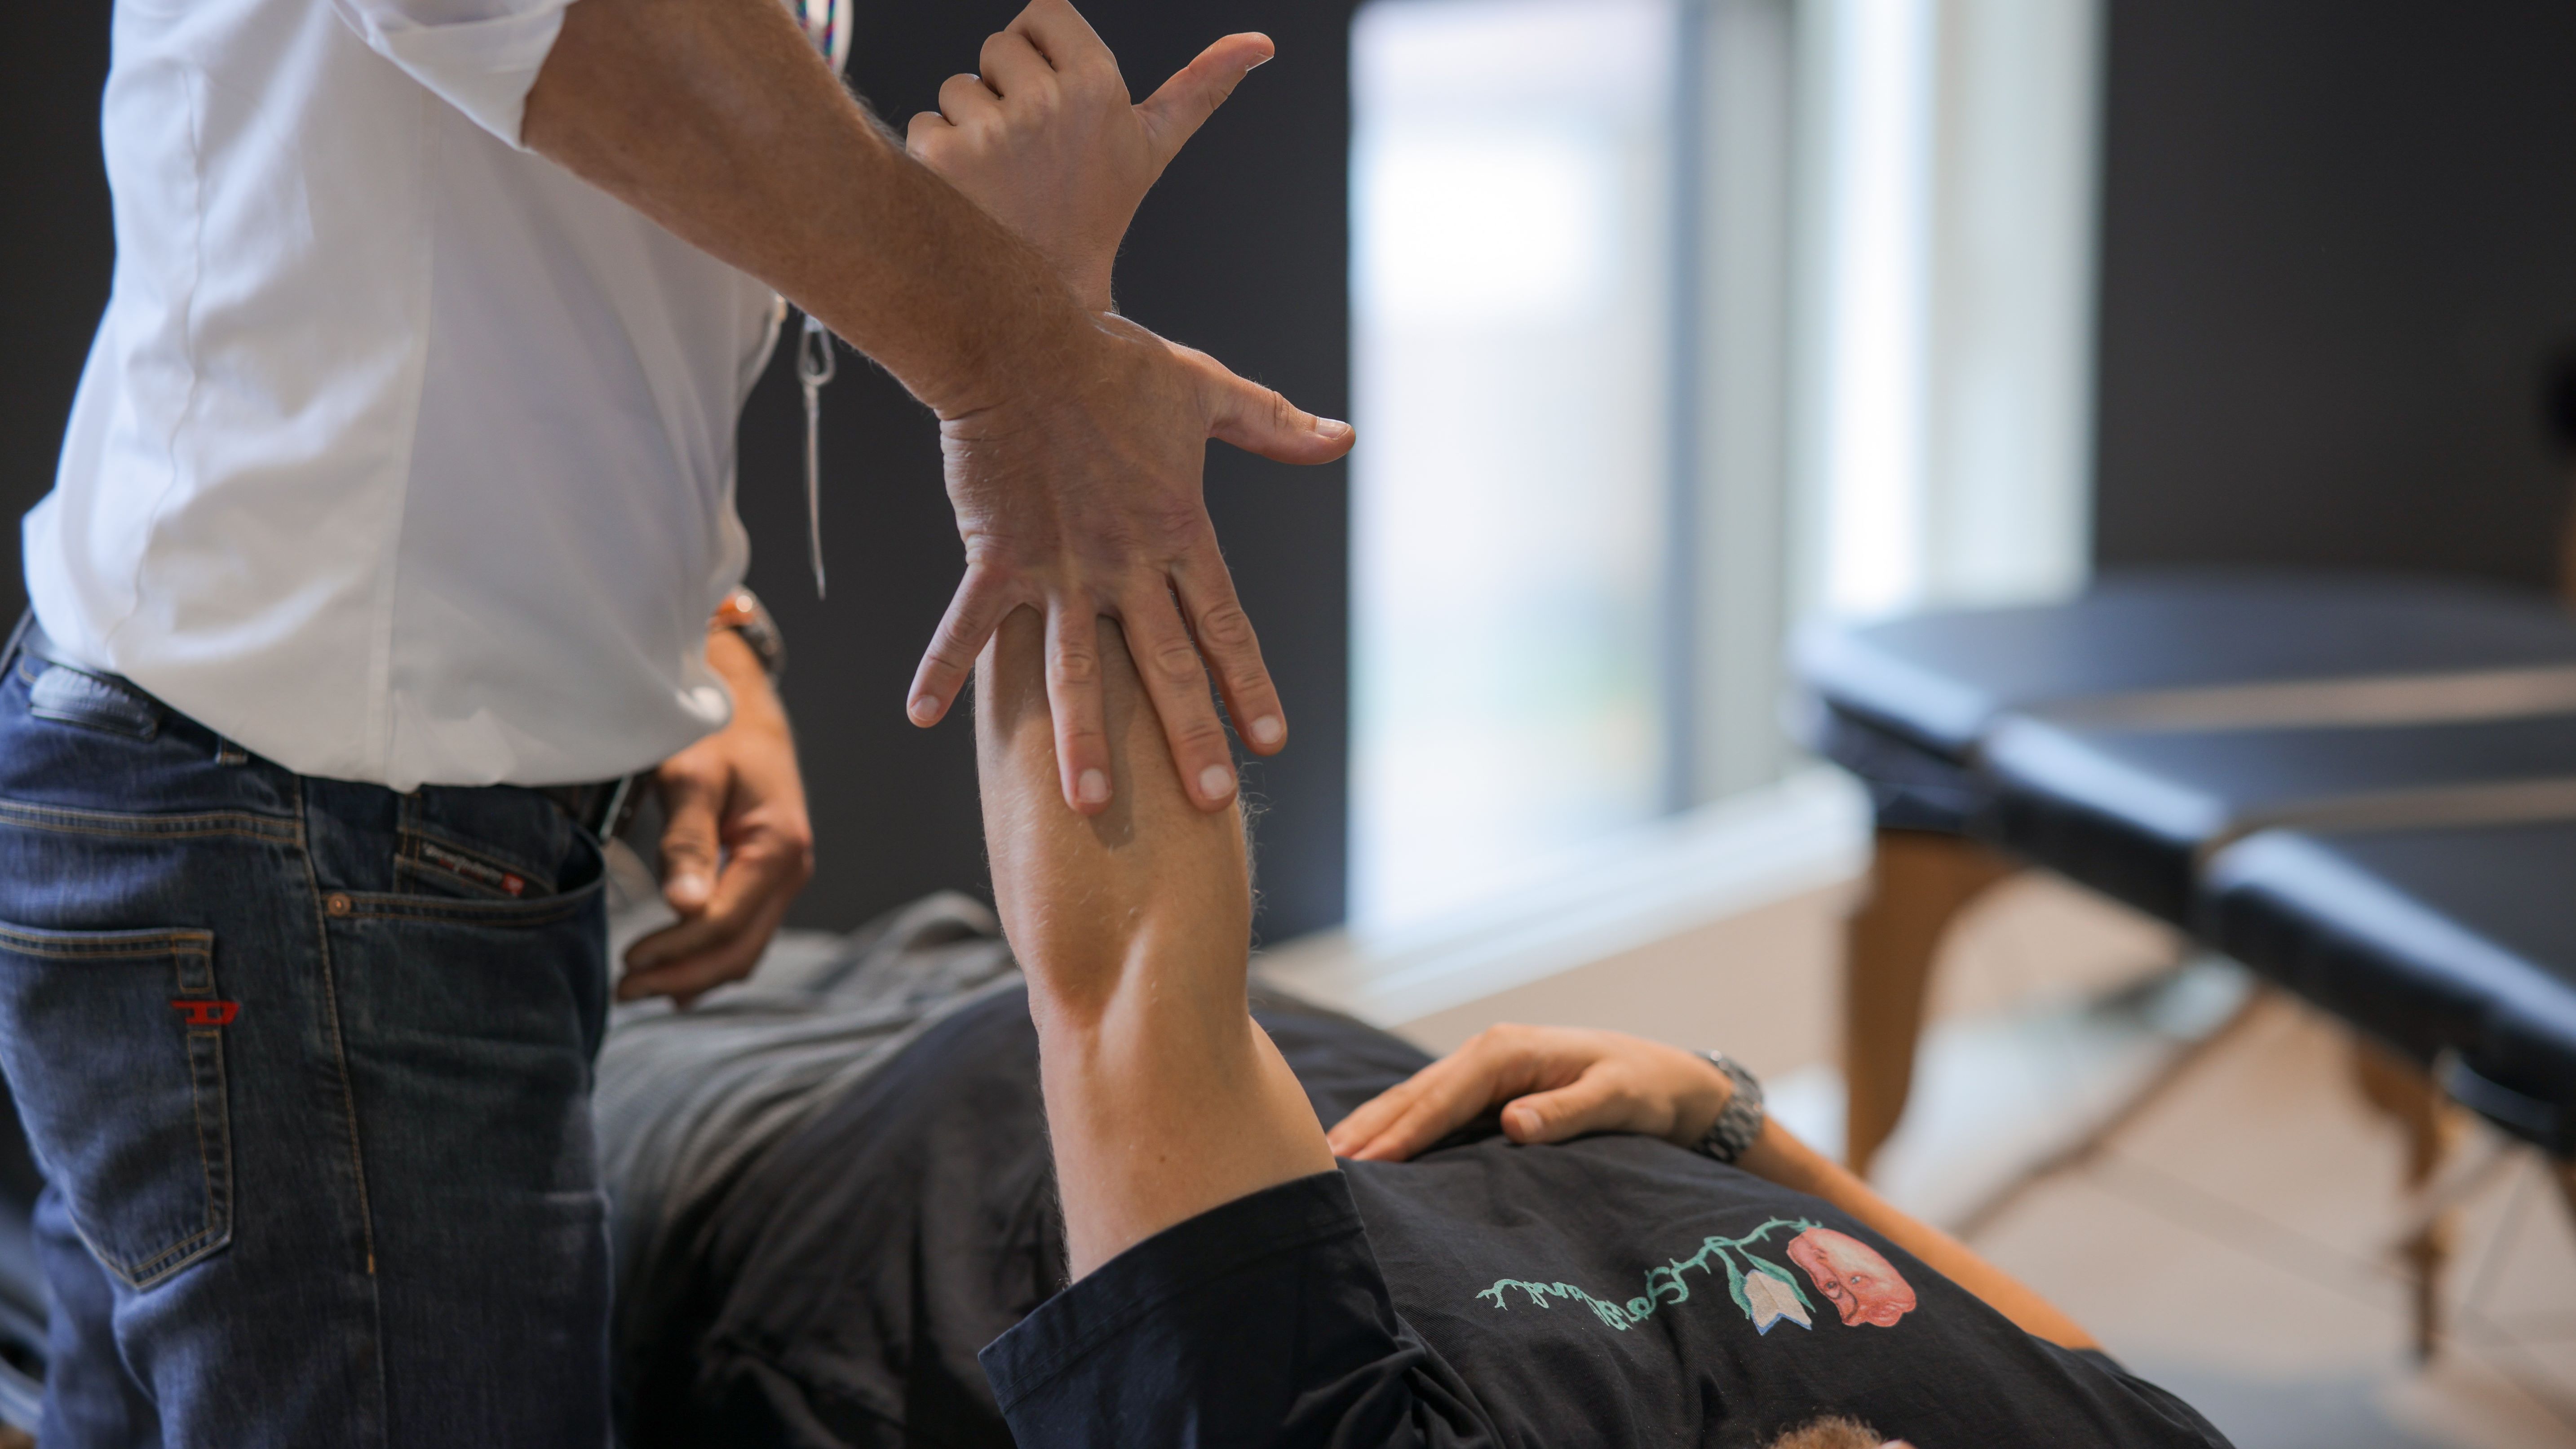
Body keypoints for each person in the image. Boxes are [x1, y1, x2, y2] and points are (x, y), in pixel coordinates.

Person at [0, 0, 1345, 1441]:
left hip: (342, 822)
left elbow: (570, 238)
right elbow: (562, 27)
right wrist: (1031, 350)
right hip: (303, 829)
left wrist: (695, 617)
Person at [588, 611, 2231, 1447]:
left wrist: (1031, 371)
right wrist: (1734, 1122)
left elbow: (1126, 975)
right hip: (1048, 1012)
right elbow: (2081, 1369)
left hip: (781, 1161)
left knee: (499, 891)